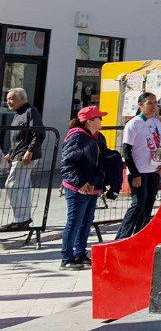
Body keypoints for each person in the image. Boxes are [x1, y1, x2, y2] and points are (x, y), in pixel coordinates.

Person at [114, 92, 161, 240]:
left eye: (155, 103)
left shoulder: (156, 123)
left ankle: (140, 235)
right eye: (149, 103)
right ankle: (122, 237)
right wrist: (135, 173)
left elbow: (159, 145)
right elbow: (126, 150)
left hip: (153, 169)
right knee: (138, 204)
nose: (153, 106)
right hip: (139, 171)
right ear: (141, 105)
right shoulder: (133, 124)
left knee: (148, 204)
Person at [60, 106, 105, 270]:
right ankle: (66, 258)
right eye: (99, 118)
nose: (102, 120)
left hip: (92, 187)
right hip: (77, 188)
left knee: (86, 222)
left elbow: (101, 161)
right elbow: (67, 164)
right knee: (74, 222)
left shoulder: (98, 137)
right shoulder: (77, 137)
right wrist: (80, 183)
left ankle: (80, 253)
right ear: (90, 121)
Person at [2, 88, 44, 231]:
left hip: (26, 155)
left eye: (11, 98)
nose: (8, 101)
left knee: (12, 184)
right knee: (22, 186)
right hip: (19, 154)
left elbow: (38, 132)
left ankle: (21, 219)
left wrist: (30, 150)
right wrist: (11, 153)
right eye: (7, 98)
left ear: (22, 99)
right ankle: (23, 218)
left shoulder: (30, 111)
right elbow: (18, 137)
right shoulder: (19, 113)